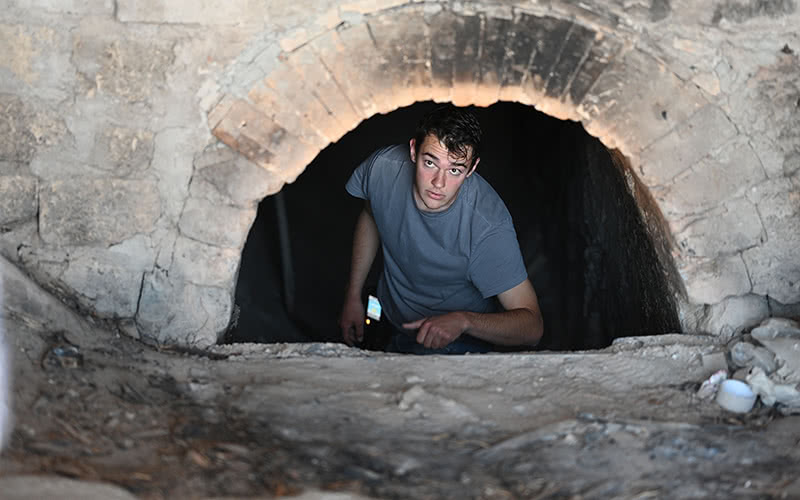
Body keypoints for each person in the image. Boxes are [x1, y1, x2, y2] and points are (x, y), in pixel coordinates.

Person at [339, 105, 543, 354]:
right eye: (430, 163)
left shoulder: (487, 227)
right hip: (388, 312)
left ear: (472, 169)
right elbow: (371, 216)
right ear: (413, 150)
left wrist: (464, 321)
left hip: (455, 341)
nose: (439, 182)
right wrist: (353, 296)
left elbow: (532, 327)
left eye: (455, 169)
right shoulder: (383, 169)